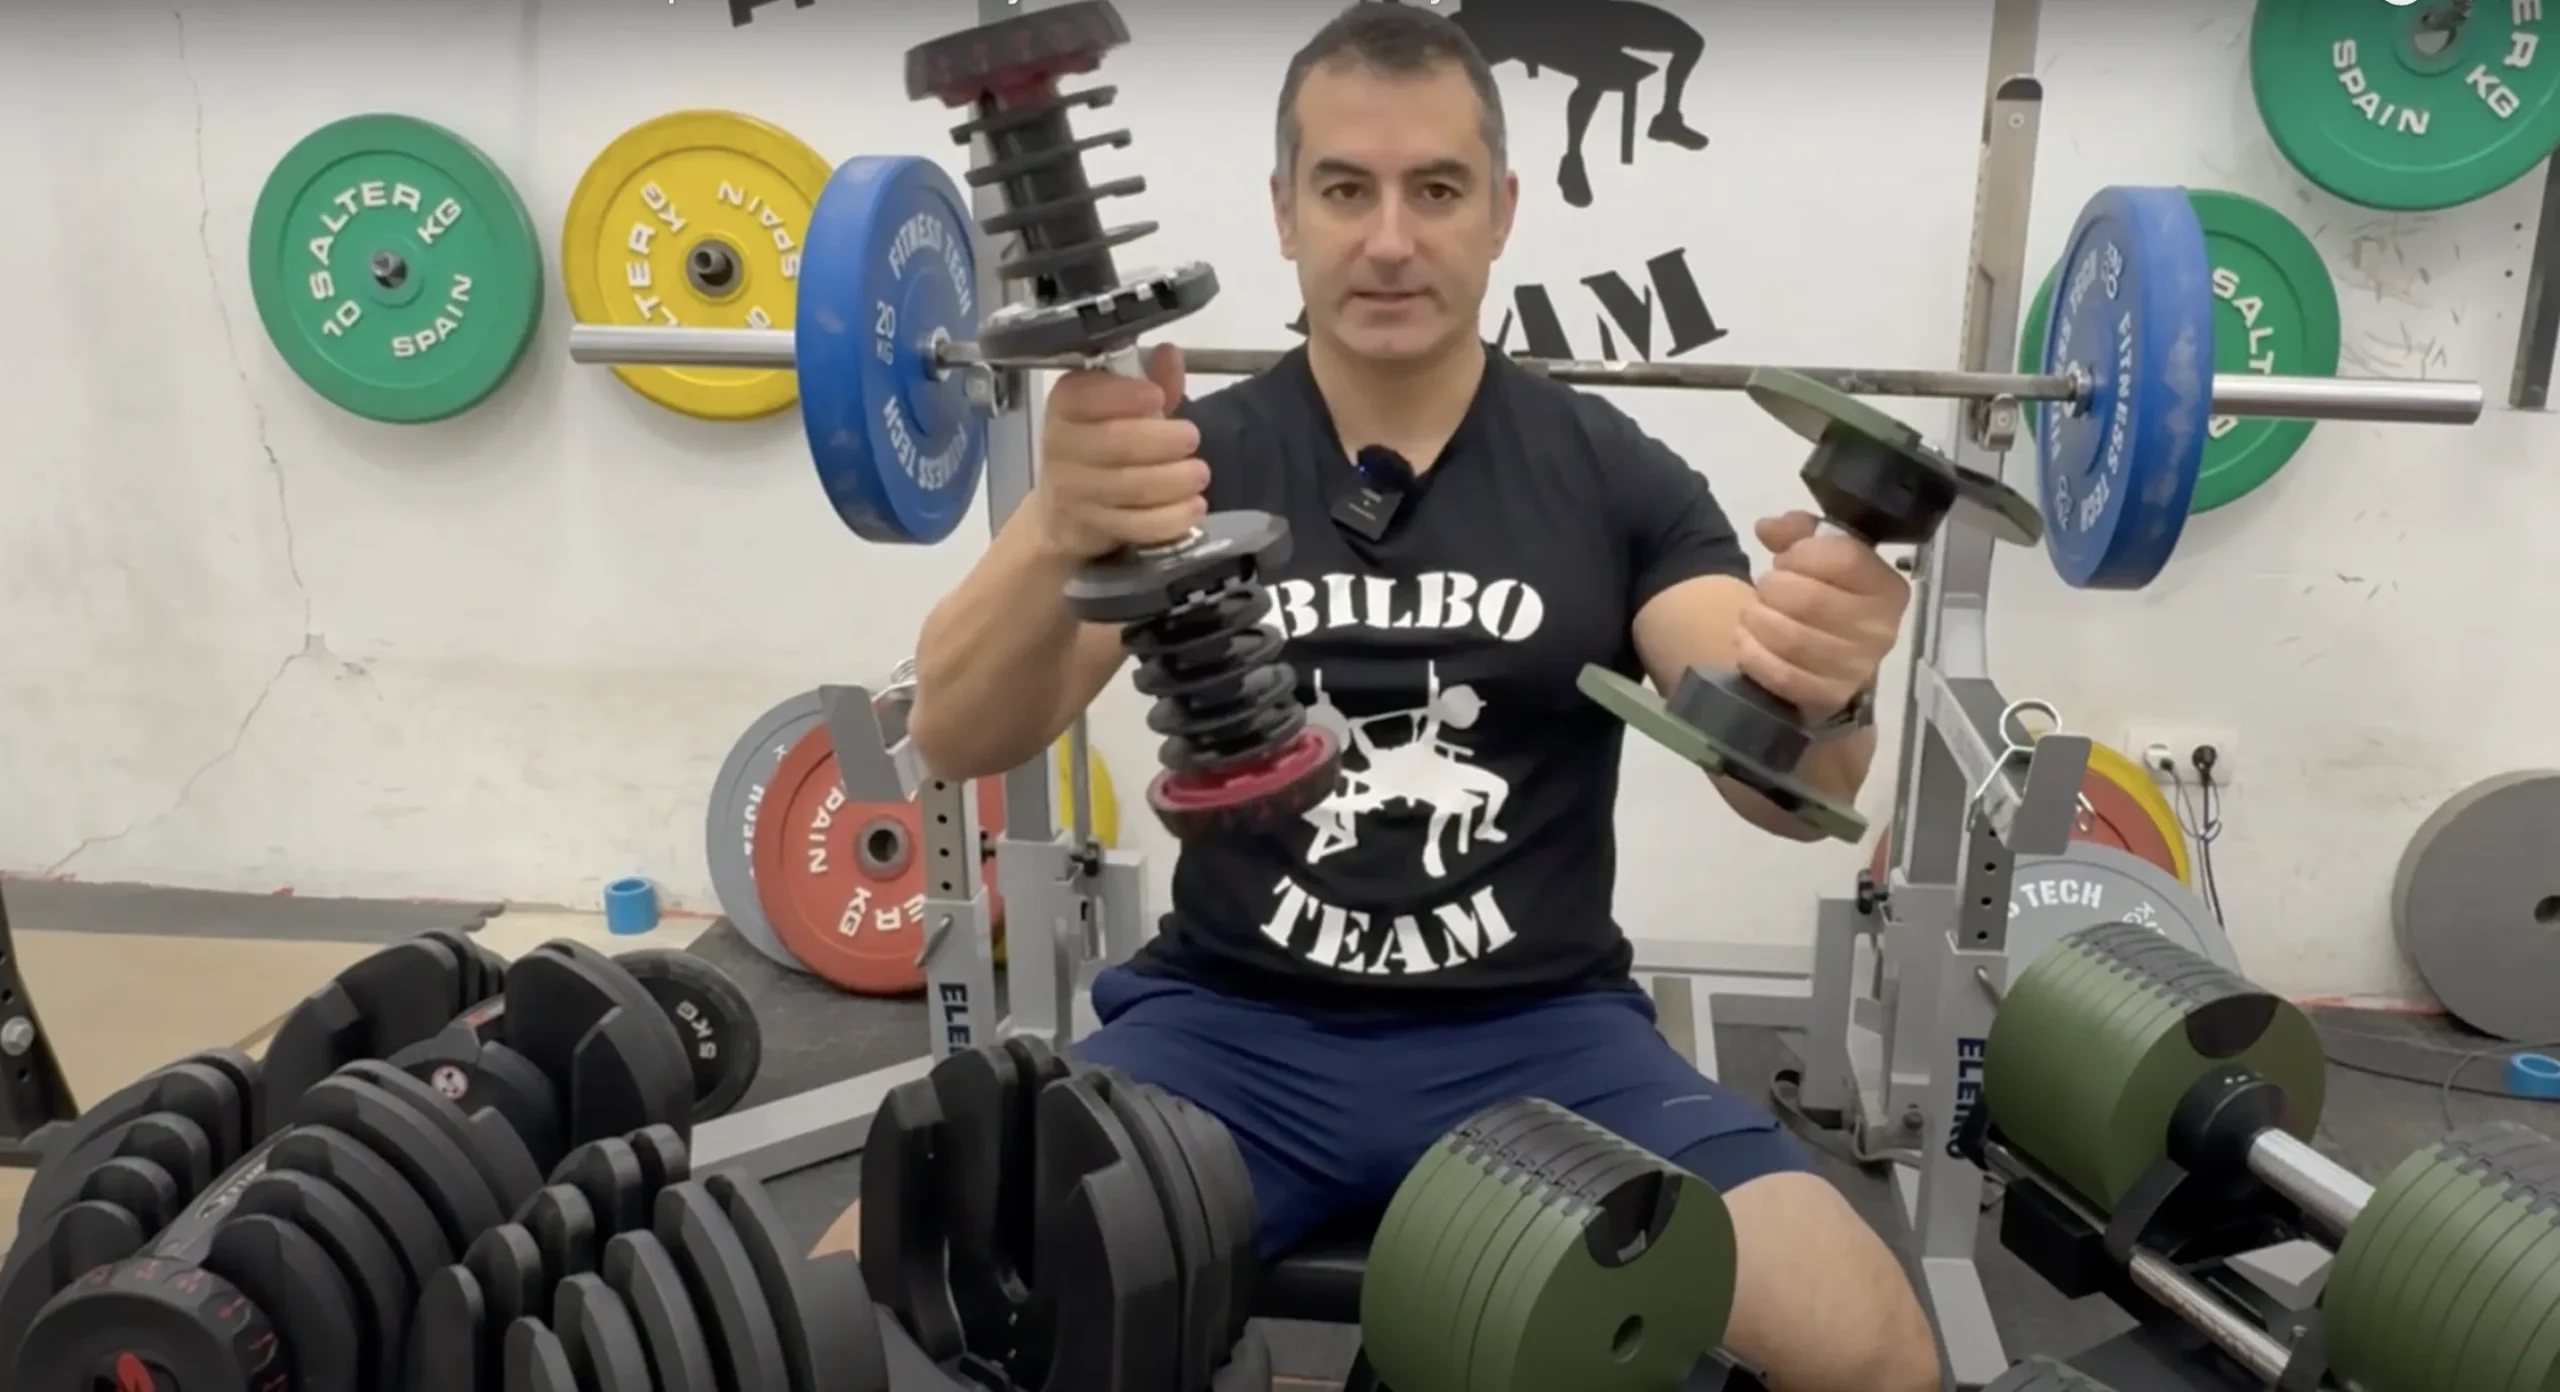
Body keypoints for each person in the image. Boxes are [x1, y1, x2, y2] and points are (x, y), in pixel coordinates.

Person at [905, 6, 1938, 1389]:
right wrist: (1053, 522)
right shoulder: (1175, 464)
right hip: (1227, 1036)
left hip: (1541, 1039)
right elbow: (956, 732)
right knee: (884, 1293)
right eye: (1346, 190)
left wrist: (1829, 670)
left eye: (1436, 190)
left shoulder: (1610, 471)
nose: (1390, 240)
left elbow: (1780, 776)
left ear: (1501, 210)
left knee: (1874, 1348)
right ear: (1285, 211)